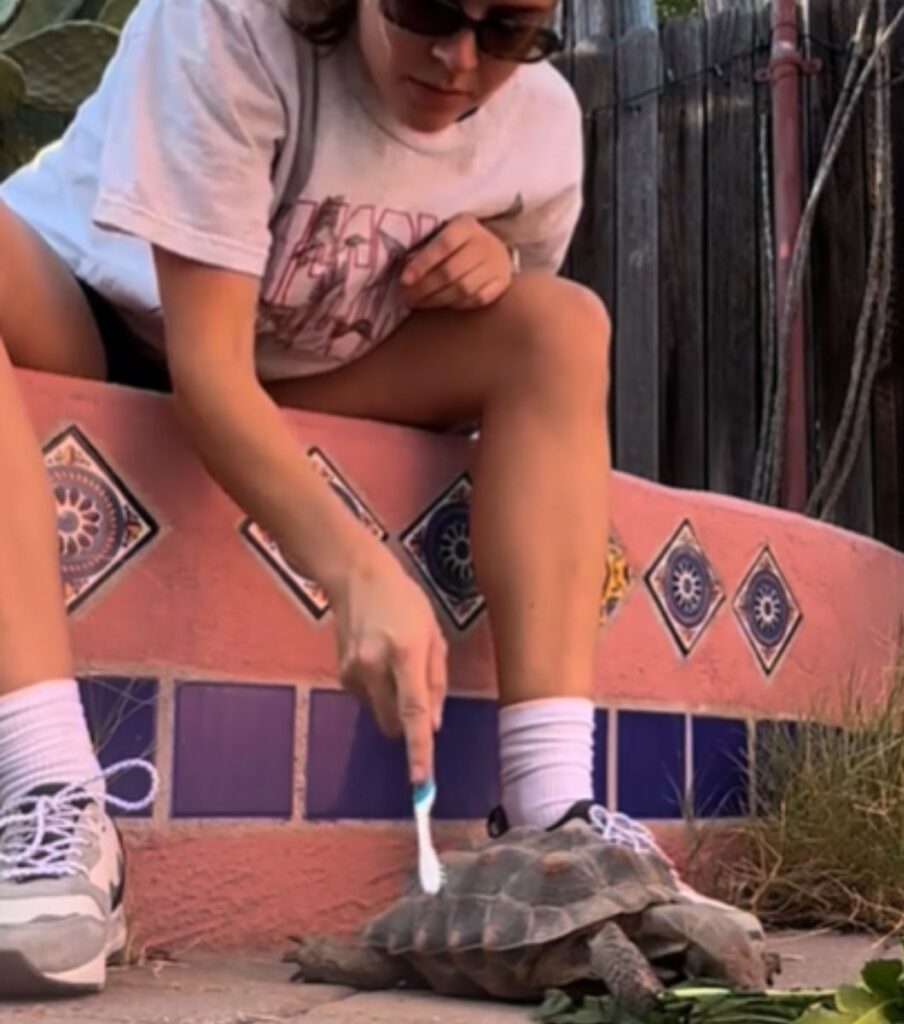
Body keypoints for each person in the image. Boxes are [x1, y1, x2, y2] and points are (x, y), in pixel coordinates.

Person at [0, 0, 663, 1000]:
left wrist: (500, 261)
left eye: (511, 30)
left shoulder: (538, 125)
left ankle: (555, 812)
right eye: (430, 9)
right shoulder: (220, 27)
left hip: (302, 364)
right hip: (94, 313)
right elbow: (206, 373)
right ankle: (49, 797)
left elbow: (492, 347)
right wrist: (358, 568)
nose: (459, 58)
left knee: (562, 325)